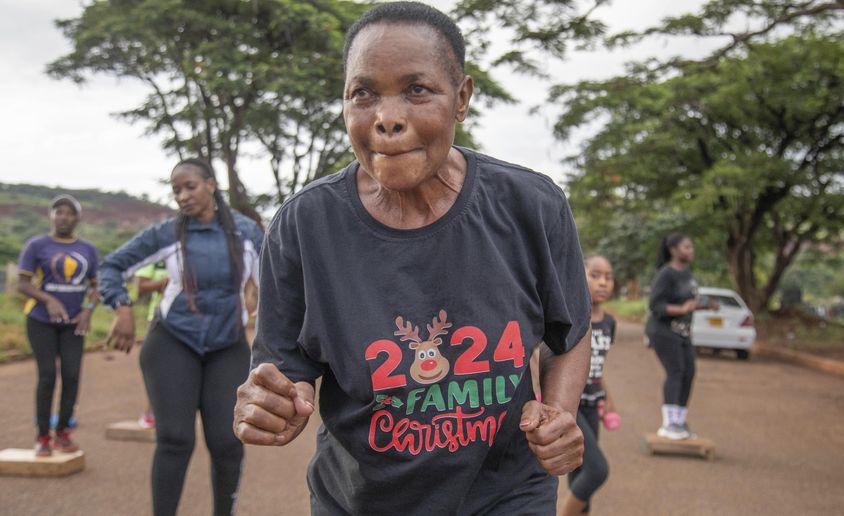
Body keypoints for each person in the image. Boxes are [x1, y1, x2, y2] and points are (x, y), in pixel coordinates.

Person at [233, 3, 593, 514]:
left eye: (416, 90)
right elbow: (283, 366)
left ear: (462, 98)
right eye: (363, 94)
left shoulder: (531, 206)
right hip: (361, 499)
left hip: (505, 493)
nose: (387, 119)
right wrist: (271, 403)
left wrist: (558, 414)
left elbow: (570, 332)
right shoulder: (304, 226)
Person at [99, 158, 263, 516]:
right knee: (176, 440)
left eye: (189, 186)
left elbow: (278, 288)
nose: (182, 196)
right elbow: (111, 266)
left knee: (226, 442)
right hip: (173, 341)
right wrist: (122, 306)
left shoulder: (246, 233)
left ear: (209, 184)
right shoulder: (167, 234)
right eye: (176, 190)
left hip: (227, 344)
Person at [17, 194, 99, 457]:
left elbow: (96, 287)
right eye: (58, 211)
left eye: (69, 212)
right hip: (41, 321)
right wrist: (48, 300)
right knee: (48, 375)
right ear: (50, 216)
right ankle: (42, 436)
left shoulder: (88, 249)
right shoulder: (36, 245)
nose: (63, 216)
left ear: (77, 218)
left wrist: (87, 310)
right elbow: (23, 284)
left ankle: (63, 432)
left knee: (72, 375)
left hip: (73, 323)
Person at [562, 256, 618, 515]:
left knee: (580, 473)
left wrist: (609, 397)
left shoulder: (609, 323)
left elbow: (597, 366)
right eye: (595, 275)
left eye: (608, 277)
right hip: (570, 403)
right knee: (597, 470)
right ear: (579, 274)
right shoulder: (570, 317)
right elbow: (543, 356)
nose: (603, 282)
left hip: (593, 404)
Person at [645, 233, 712, 440]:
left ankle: (680, 422)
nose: (690, 251)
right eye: (686, 247)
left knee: (689, 373)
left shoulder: (688, 274)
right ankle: (669, 424)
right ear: (673, 250)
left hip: (683, 333)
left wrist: (703, 306)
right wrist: (682, 308)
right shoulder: (666, 274)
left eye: (691, 247)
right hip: (663, 331)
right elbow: (655, 306)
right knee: (676, 371)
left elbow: (689, 304)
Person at [133, 260, 168, 429]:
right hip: (158, 318)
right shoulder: (158, 256)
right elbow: (140, 286)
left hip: (193, 318)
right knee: (157, 368)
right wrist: (166, 282)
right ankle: (150, 412)